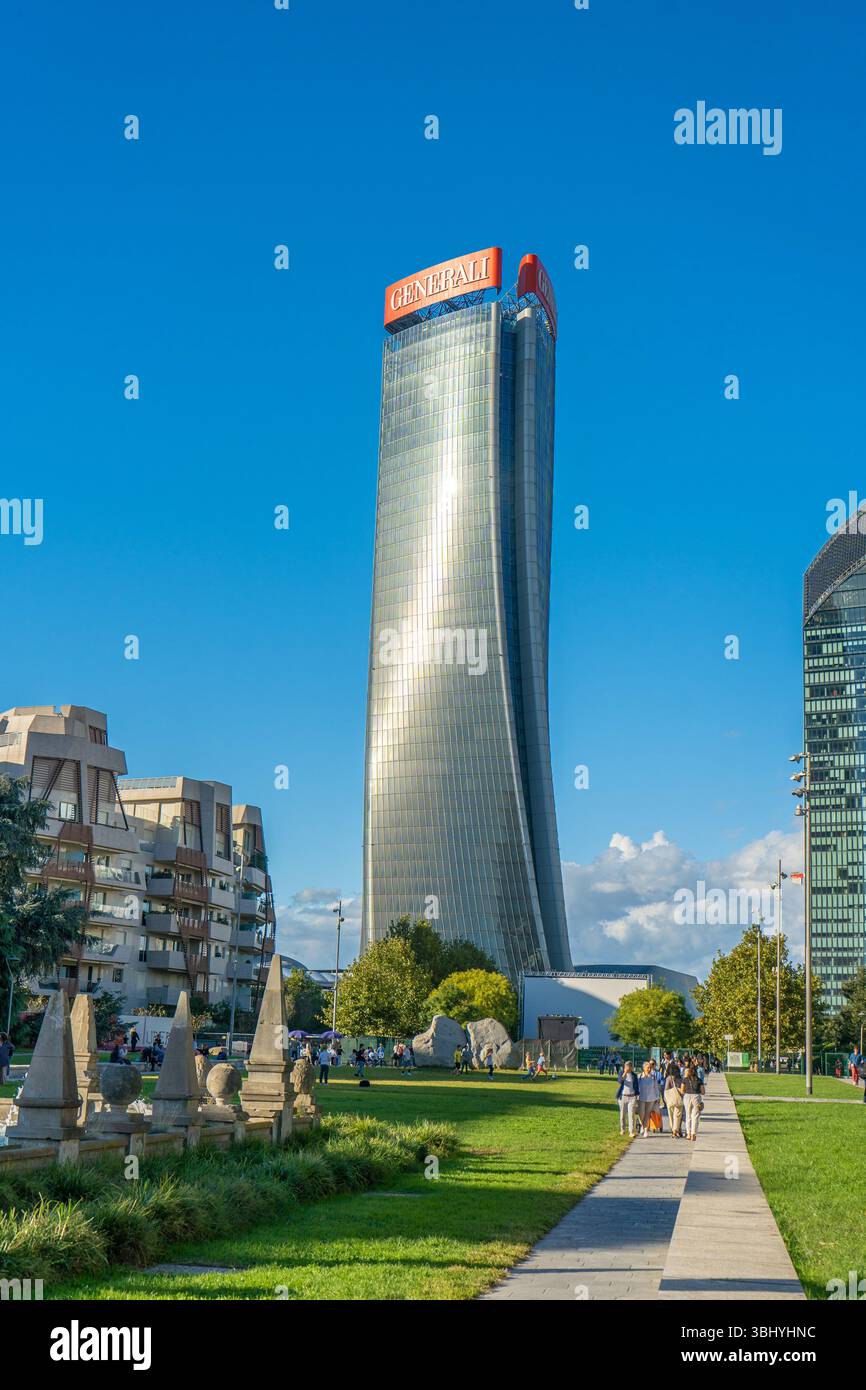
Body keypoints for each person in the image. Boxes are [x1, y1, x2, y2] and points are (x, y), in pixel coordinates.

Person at [681, 1064, 705, 1140]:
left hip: (687, 1097)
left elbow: (682, 1091)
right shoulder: (699, 1080)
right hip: (696, 1097)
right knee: (695, 1116)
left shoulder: (685, 1079)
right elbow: (703, 1092)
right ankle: (693, 1134)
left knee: (688, 1116)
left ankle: (688, 1134)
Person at [637, 1060, 660, 1136]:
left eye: (650, 1068)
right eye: (647, 1068)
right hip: (641, 1098)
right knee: (641, 1114)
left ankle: (646, 1130)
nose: (649, 1069)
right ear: (644, 1068)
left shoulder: (653, 1077)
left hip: (651, 1098)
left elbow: (656, 1088)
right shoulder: (639, 1076)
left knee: (647, 1114)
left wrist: (657, 1098)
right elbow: (636, 1087)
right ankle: (642, 1125)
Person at [616, 1060, 639, 1135]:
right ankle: (622, 1129)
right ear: (624, 1067)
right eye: (627, 1066)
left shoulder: (634, 1075)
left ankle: (631, 1131)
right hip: (623, 1096)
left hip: (632, 1097)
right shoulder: (621, 1073)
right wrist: (625, 1073)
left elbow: (636, 1086)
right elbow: (620, 1081)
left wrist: (637, 1096)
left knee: (631, 1115)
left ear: (632, 1067)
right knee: (622, 1114)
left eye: (630, 1066)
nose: (628, 1068)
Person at [664, 1063, 683, 1138]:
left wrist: (666, 1099)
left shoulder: (669, 1078)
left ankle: (673, 1131)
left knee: (671, 1116)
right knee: (677, 1116)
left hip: (670, 1100)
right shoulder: (680, 1078)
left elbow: (666, 1089)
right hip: (679, 1099)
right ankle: (676, 1130)